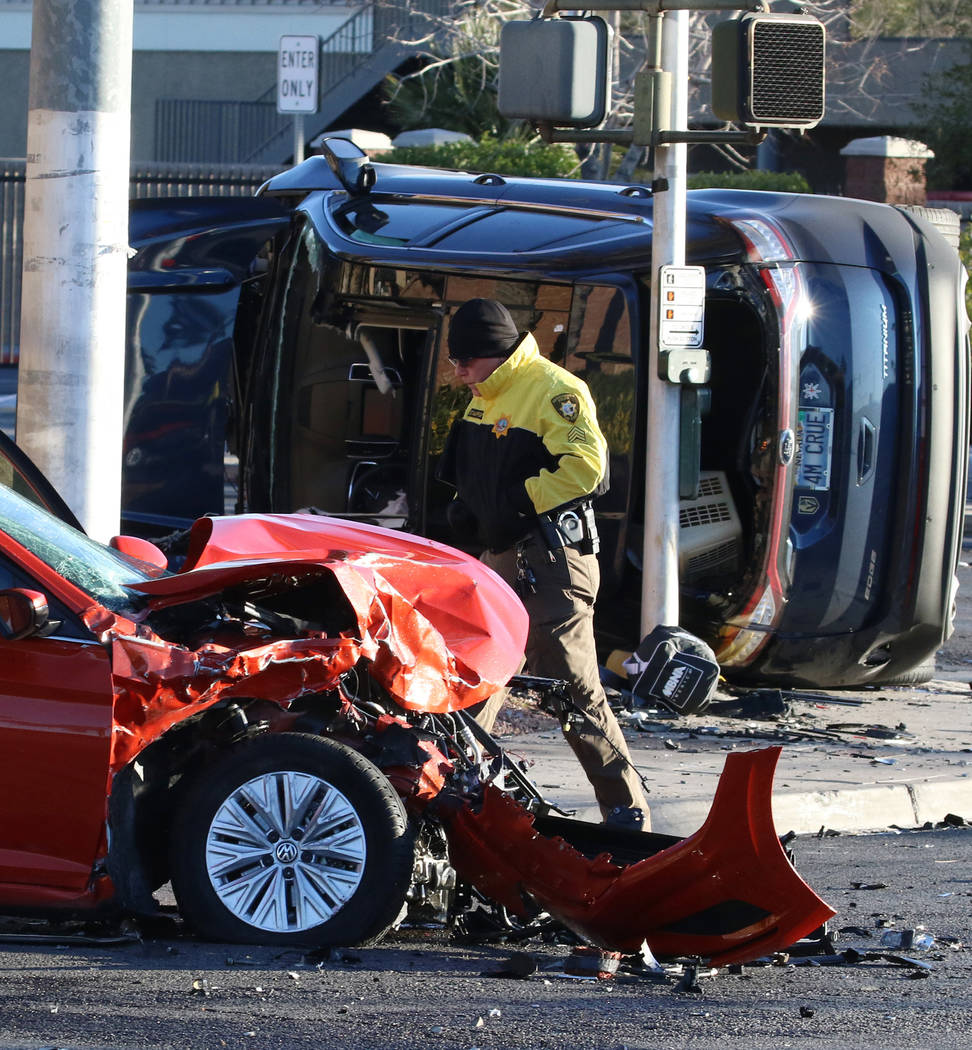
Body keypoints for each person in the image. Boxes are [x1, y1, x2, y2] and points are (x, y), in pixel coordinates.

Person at [437, 298, 650, 830]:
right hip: (504, 557)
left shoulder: (554, 389)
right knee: (479, 671)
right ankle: (454, 795)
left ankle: (627, 813)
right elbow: (475, 474)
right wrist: (468, 511)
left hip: (553, 559)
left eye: (466, 360)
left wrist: (514, 502)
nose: (458, 370)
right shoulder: (482, 398)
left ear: (495, 352)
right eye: (455, 360)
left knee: (573, 690)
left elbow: (588, 469)